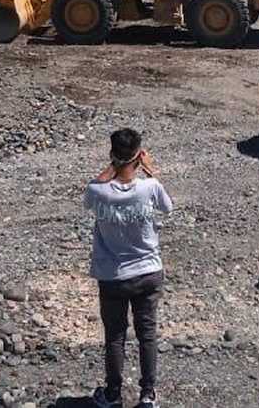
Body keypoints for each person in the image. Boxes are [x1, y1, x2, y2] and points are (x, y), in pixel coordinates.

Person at [86, 128, 173, 408]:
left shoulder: (97, 192)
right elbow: (167, 207)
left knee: (115, 335)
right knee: (147, 333)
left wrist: (116, 164)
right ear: (138, 156)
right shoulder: (150, 187)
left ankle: (113, 394)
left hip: (112, 276)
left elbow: (94, 187)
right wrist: (148, 168)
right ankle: (148, 394)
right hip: (148, 272)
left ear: (112, 157)